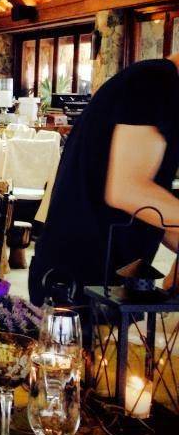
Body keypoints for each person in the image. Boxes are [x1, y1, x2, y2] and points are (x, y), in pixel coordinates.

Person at [28, 53, 179, 306]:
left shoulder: (155, 82)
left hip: (107, 283)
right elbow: (128, 190)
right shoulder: (155, 81)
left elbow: (151, 209)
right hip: (80, 283)